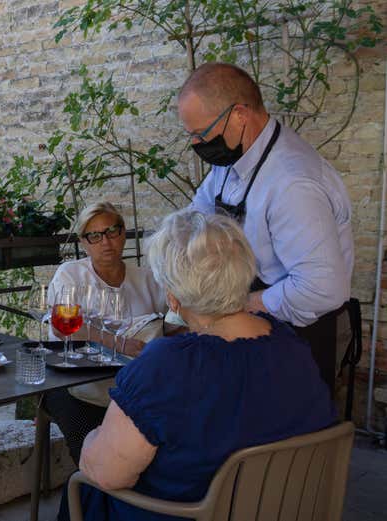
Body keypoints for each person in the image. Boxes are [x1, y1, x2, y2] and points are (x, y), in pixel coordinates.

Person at [60, 209, 337, 521]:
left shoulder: (167, 366)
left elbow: (106, 473)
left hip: (189, 513)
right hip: (288, 509)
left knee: (82, 489)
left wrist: (93, 437)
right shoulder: (294, 348)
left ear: (173, 297)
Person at [180, 62, 354, 394]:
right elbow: (196, 219)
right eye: (191, 135)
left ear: (239, 115)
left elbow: (322, 288)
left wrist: (240, 304)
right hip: (249, 327)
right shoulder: (231, 161)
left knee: (288, 439)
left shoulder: (293, 183)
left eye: (202, 133)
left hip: (298, 338)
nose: (197, 143)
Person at [44, 202, 167, 463]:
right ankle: (88, 495)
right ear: (84, 242)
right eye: (95, 236)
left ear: (123, 233)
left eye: (112, 232)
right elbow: (63, 328)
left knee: (158, 445)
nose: (106, 242)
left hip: (130, 385)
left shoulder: (146, 278)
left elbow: (171, 323)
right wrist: (118, 343)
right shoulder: (72, 275)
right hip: (73, 381)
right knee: (94, 455)